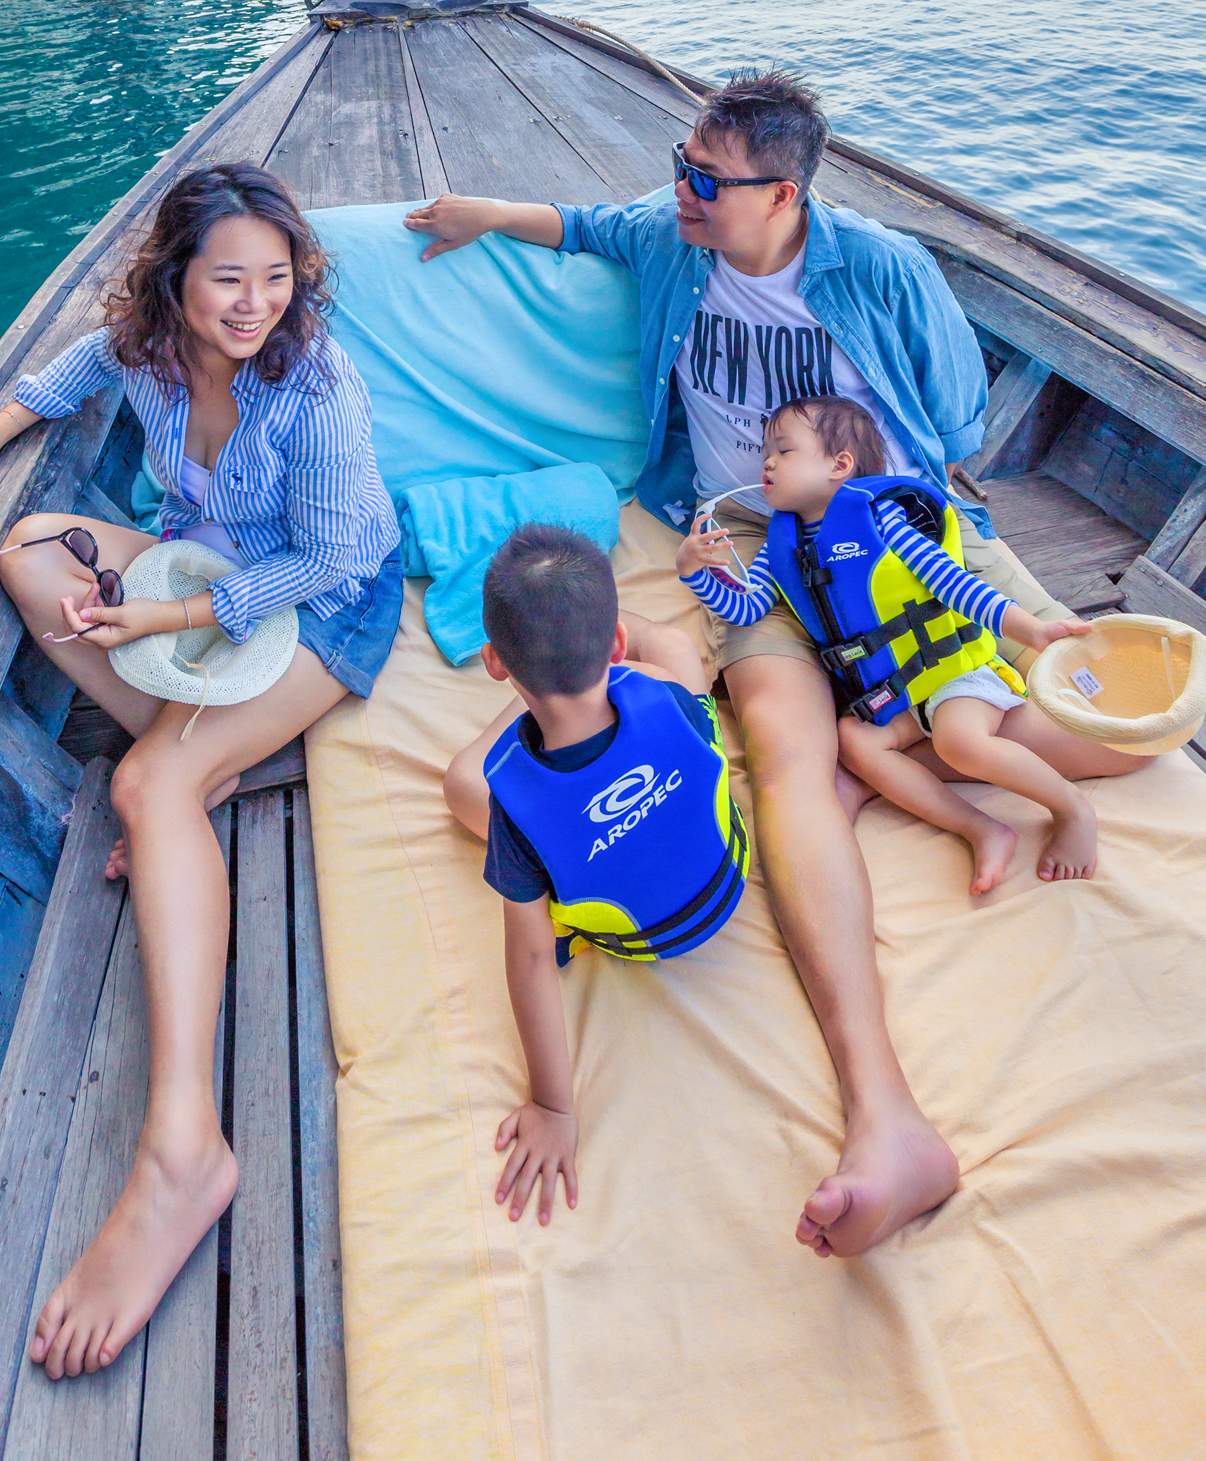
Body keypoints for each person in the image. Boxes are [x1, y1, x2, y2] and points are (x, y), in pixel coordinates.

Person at [405, 67, 1151, 1261]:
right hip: (745, 545)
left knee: (959, 729)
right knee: (792, 762)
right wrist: (482, 215)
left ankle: (978, 765)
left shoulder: (885, 270)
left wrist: (916, 547)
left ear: (785, 192)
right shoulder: (673, 237)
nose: (679, 190)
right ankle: (889, 1118)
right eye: (677, 164)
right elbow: (588, 225)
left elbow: (955, 426)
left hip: (871, 529)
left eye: (704, 176)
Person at [0, 164, 402, 1379]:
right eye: (227, 278)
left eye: (275, 278)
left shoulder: (315, 385)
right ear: (173, 279)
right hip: (205, 584)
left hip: (321, 608)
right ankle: (207, 755)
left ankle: (184, 1152)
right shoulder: (144, 346)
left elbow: (335, 556)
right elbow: (73, 370)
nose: (253, 305)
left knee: (144, 788)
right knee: (31, 550)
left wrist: (169, 627)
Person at [442, 524, 748, 1228]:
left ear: (493, 663)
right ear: (616, 647)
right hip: (725, 876)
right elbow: (669, 678)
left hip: (637, 938)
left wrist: (553, 1104)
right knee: (673, 641)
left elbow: (527, 957)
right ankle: (569, 654)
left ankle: (543, 689)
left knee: (462, 783)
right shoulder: (661, 692)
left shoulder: (514, 807)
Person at [677, 395, 1105, 894]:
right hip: (902, 693)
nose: (766, 461)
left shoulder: (883, 522)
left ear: (840, 465)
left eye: (783, 450)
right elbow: (746, 610)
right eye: (764, 452)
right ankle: (980, 827)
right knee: (854, 741)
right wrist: (697, 574)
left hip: (955, 677)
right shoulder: (781, 546)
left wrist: (1029, 630)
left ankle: (1072, 810)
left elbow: (955, 584)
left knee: (959, 740)